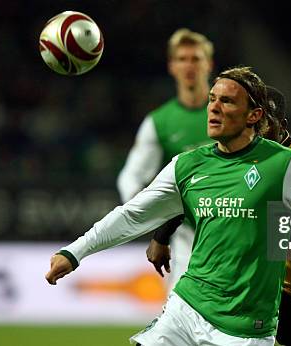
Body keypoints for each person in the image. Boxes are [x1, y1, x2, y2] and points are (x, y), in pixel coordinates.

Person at [46, 67, 291, 346]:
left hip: (269, 308)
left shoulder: (290, 166)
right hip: (189, 304)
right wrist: (75, 252)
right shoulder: (189, 164)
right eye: (212, 100)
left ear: (258, 117)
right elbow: (133, 214)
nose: (214, 109)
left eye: (227, 101)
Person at [146, 85, 291, 345]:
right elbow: (193, 190)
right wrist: (162, 237)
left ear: (281, 125)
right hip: (249, 285)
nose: (260, 130)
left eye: (267, 124)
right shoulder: (236, 154)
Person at [117, 28, 214, 291]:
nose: (189, 65)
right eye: (182, 59)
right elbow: (131, 177)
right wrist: (153, 216)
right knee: (181, 318)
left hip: (233, 230)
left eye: (196, 58)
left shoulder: (230, 112)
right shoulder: (159, 122)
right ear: (172, 66)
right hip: (185, 236)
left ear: (209, 64)